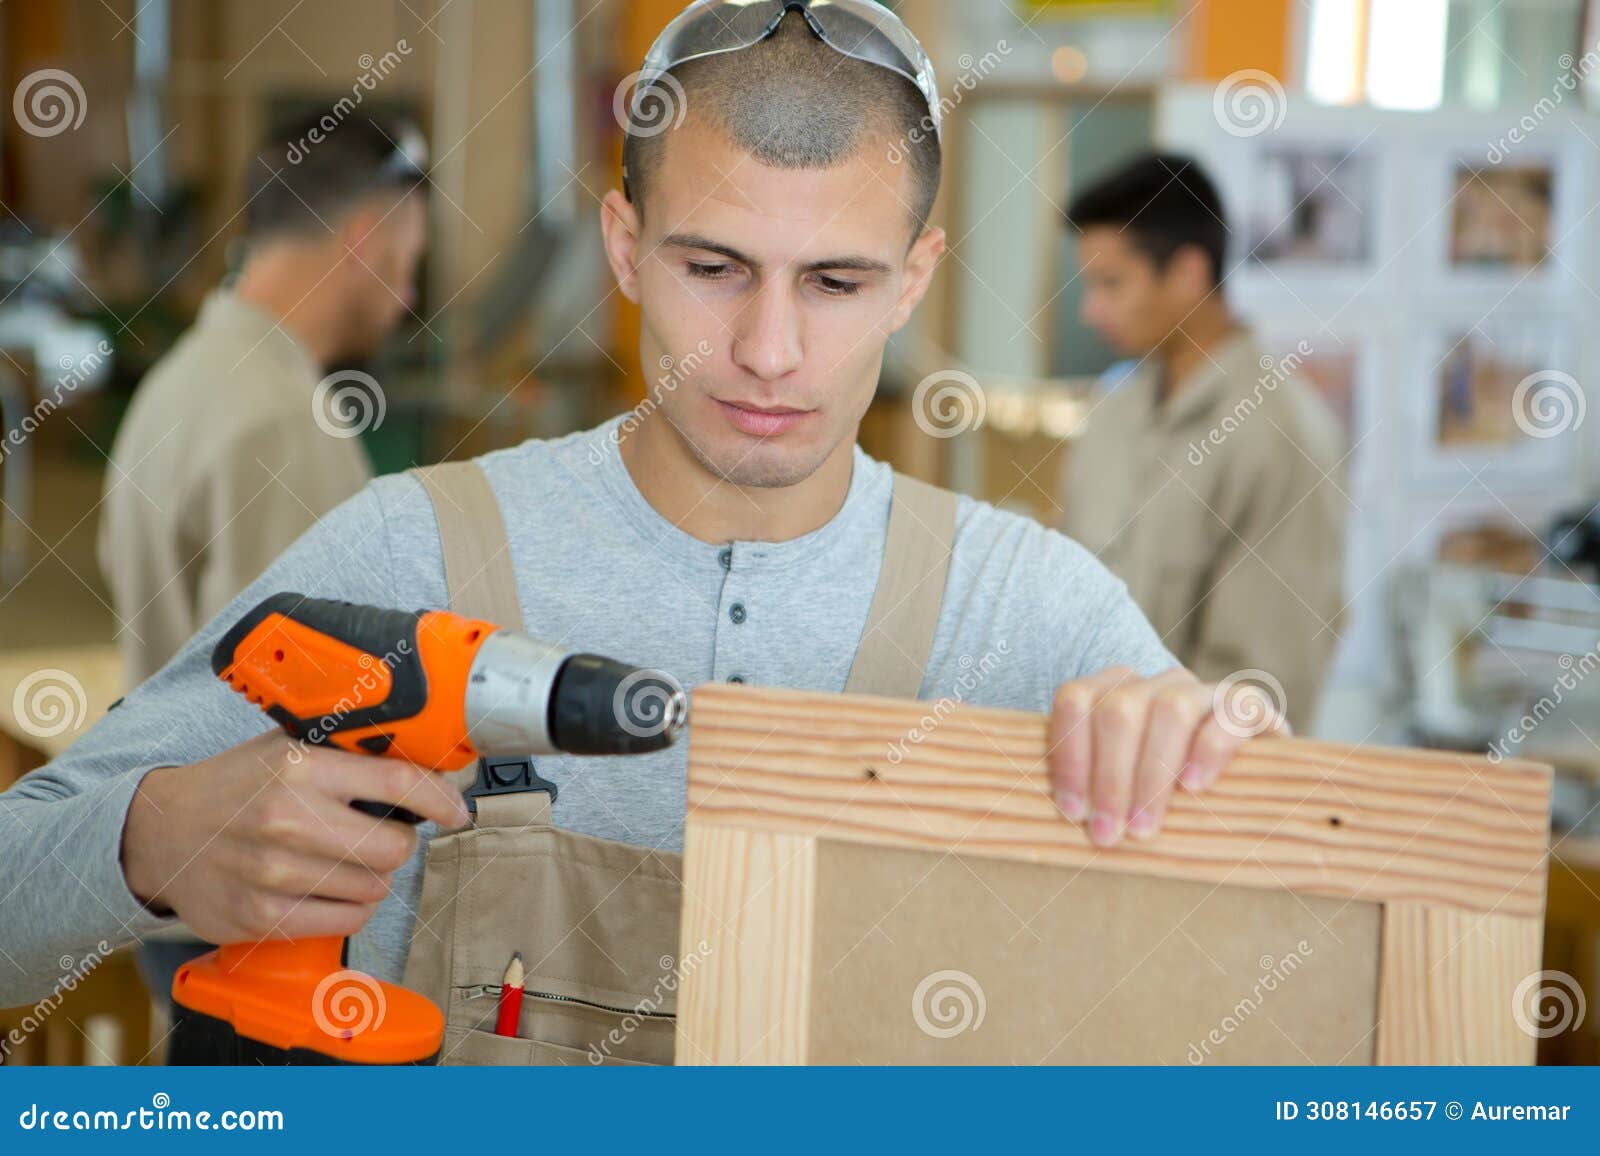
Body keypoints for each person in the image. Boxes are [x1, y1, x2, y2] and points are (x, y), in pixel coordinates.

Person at [0, 3, 1286, 1015]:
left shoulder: (1038, 617)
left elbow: (1287, 956)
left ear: (914, 280)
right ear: (623, 247)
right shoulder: (411, 551)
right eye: (712, 267)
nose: (770, 350)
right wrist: (149, 832)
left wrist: (1206, 760)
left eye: (836, 281)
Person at [93, 112, 429, 1011]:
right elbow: (313, 707)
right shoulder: (282, 421)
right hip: (264, 924)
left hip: (183, 887)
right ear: (369, 236)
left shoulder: (182, 382)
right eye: (409, 258)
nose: (404, 295)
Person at [1058, 153, 1346, 734]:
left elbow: (1266, 689)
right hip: (1076, 764)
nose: (1091, 311)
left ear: (1188, 273)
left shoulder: (1280, 433)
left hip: (1188, 794)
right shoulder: (1115, 411)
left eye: (1111, 284)